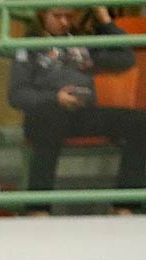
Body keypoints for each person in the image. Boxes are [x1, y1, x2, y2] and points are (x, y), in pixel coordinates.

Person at [9, 5, 146, 212]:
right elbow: (17, 95)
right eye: (58, 16)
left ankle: (124, 206)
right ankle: (38, 210)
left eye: (69, 16)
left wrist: (105, 20)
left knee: (139, 122)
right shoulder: (29, 46)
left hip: (81, 113)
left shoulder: (82, 43)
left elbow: (125, 58)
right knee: (49, 123)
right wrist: (55, 98)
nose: (64, 22)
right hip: (46, 114)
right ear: (42, 15)